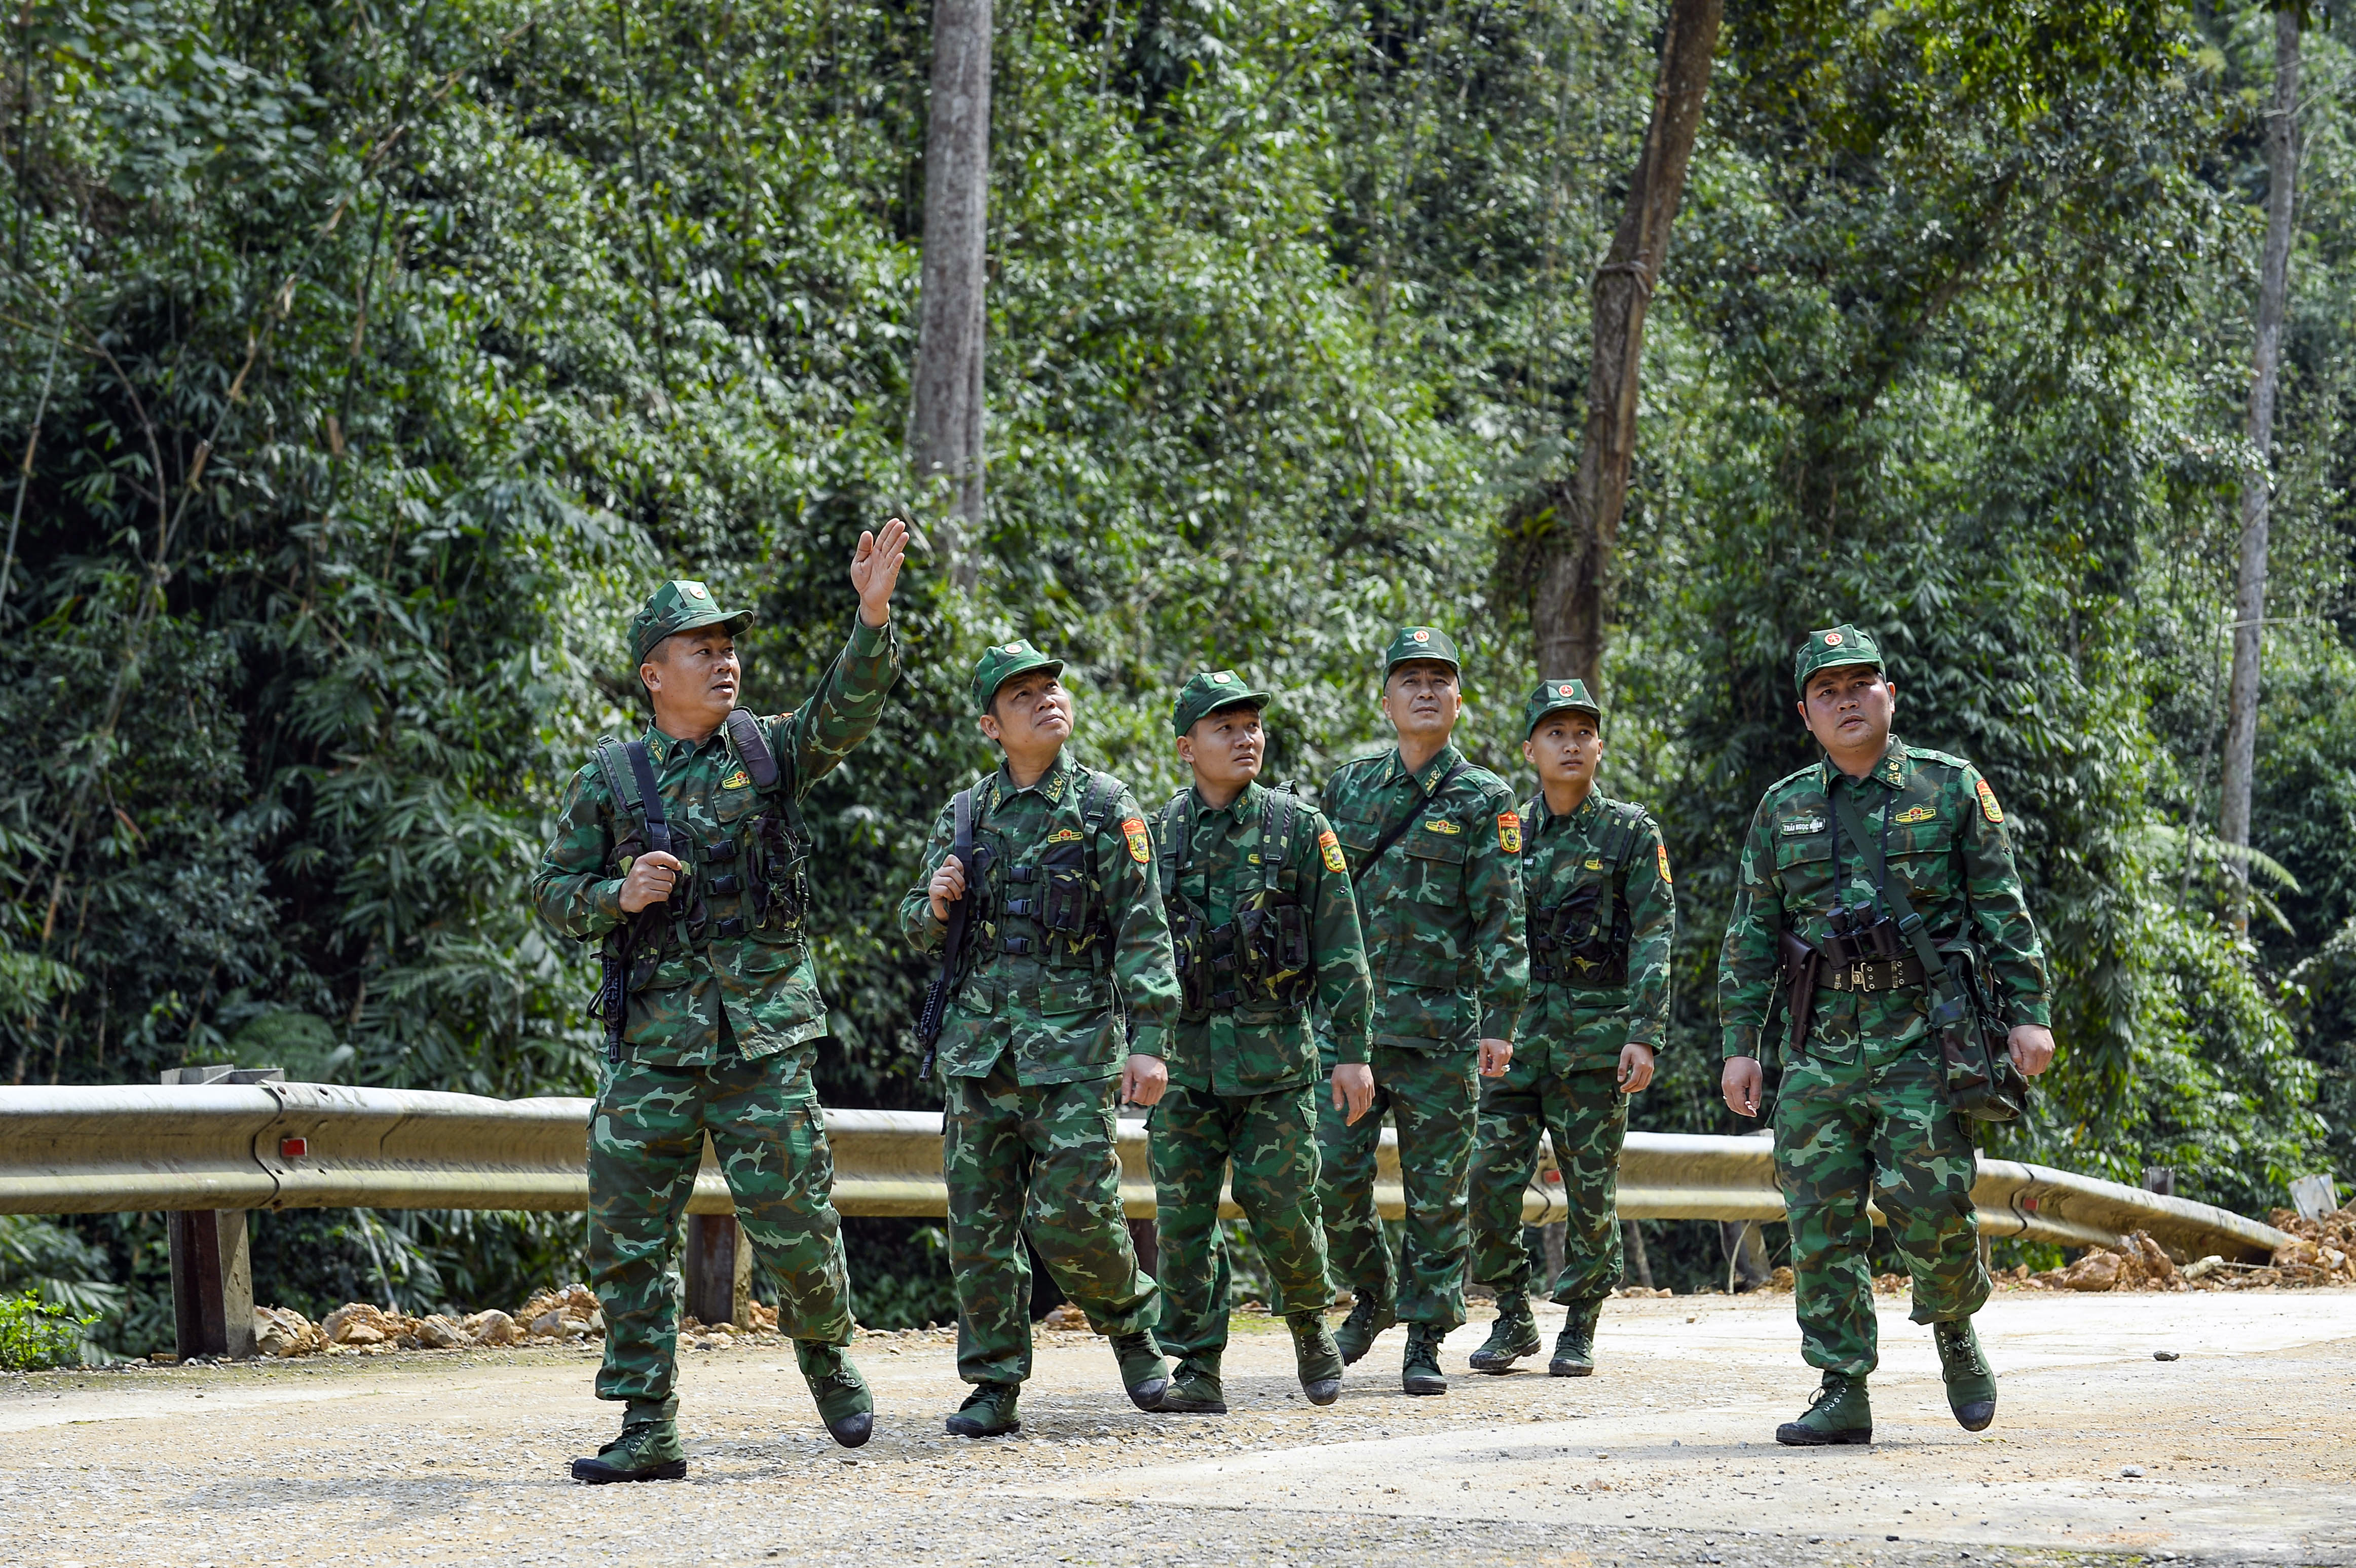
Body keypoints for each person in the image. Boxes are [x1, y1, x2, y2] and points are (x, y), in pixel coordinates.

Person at [532, 520, 909, 1483]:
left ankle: (829, 1361)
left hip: (761, 1039)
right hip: (652, 1046)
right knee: (625, 1242)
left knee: (796, 1224)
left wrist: (871, 616)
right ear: (654, 673)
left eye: (729, 645)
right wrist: (617, 895)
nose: (724, 660)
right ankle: (647, 1424)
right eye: (702, 648)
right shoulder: (609, 779)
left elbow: (844, 710)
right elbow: (549, 894)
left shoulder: (769, 750)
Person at [1718, 624, 2056, 1446]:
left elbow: (2000, 907)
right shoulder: (1783, 806)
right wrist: (1740, 1041)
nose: (1846, 700)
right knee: (1817, 1216)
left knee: (1932, 1206)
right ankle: (1841, 1387)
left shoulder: (1948, 787)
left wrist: (2028, 1010)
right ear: (1806, 712)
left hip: (1922, 1042)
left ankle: (1952, 1331)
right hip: (1819, 1043)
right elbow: (1751, 932)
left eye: (1860, 684)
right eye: (1827, 691)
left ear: (1888, 695)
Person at [901, 641, 1182, 1438]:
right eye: (1022, 695)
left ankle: (1130, 1324)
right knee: (979, 1225)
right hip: (977, 1051)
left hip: (1072, 1048)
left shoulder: (1103, 805)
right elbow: (914, 927)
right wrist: (935, 902)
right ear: (992, 724)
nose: (1045, 700)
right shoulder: (964, 814)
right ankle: (994, 1383)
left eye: (1051, 687)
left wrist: (1150, 1037)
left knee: (1073, 1214)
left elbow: (1143, 928)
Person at [1147, 670, 1373, 1415]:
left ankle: (1311, 1326)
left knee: (1281, 1208)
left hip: (1275, 1058)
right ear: (1188, 748)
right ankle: (1197, 1365)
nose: (1245, 737)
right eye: (1225, 727)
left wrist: (1352, 1051)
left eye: (1251, 725)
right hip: (1184, 1064)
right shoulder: (1158, 835)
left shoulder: (1298, 827)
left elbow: (1342, 945)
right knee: (1182, 1220)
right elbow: (1137, 950)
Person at [1314, 625, 1527, 1396]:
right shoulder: (1347, 788)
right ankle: (1372, 1296)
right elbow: (1320, 907)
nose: (1426, 690)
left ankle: (1426, 1334)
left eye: (1441, 678)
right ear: (1386, 700)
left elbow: (1502, 916)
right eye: (1411, 679)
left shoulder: (1485, 797)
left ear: (1459, 699)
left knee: (1439, 1193)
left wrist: (1501, 1018)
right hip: (1352, 1032)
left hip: (1442, 1031)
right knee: (1332, 1177)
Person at [1464, 678, 1673, 1377]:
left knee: (1590, 1195)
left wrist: (1643, 1031)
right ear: (1530, 749)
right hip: (1514, 1043)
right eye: (1556, 732)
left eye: (1583, 731)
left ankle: (1579, 1322)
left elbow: (1653, 931)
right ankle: (1512, 1314)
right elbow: (1486, 933)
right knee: (1487, 1181)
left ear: (1599, 746)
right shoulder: (1505, 834)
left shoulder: (1630, 831)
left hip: (1594, 1040)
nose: (1571, 743)